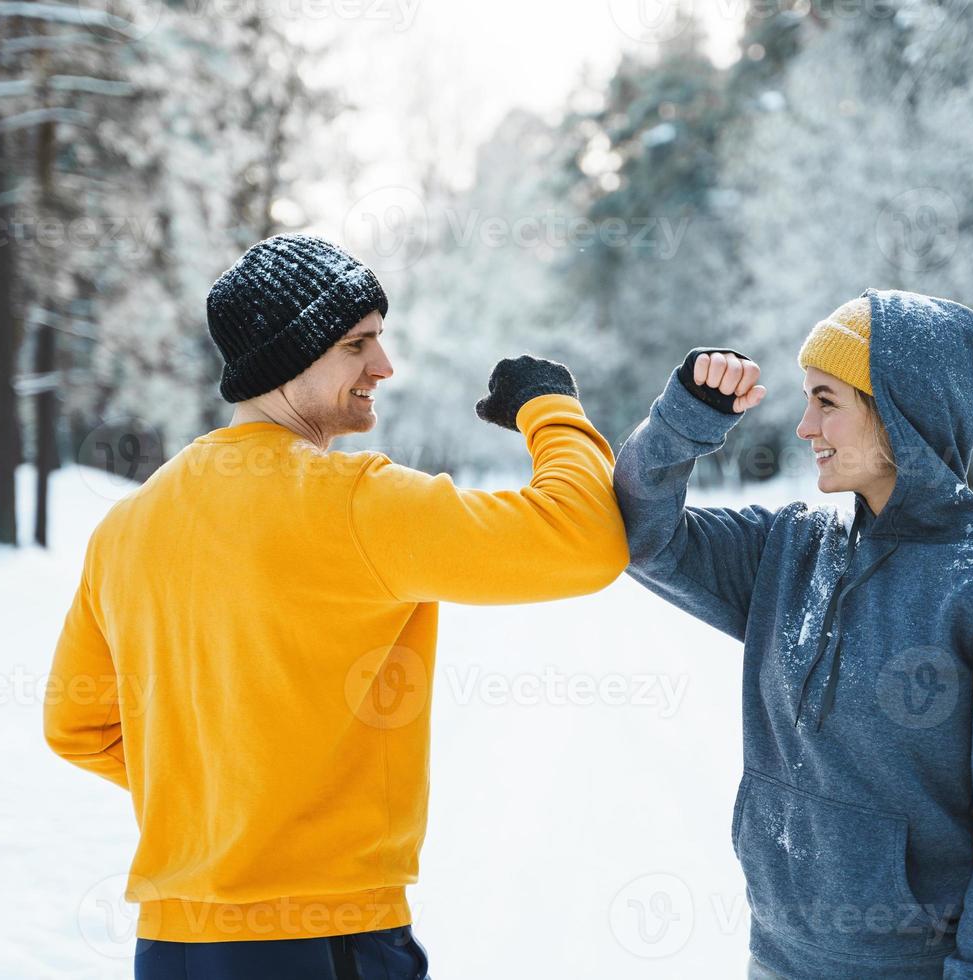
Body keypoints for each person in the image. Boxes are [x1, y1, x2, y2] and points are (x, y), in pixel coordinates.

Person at [44, 234, 629, 980]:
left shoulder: (126, 526)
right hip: (324, 938)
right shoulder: (353, 503)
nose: (384, 367)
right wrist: (549, 408)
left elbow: (77, 726)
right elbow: (582, 540)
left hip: (172, 945)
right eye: (359, 345)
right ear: (293, 354)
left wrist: (228, 788)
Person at [614, 289, 973, 979]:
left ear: (901, 415)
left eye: (827, 401)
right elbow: (643, 537)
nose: (804, 426)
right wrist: (684, 422)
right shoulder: (789, 548)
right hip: (777, 957)